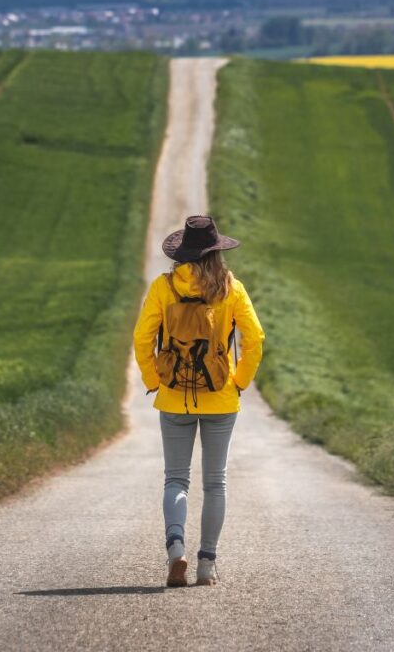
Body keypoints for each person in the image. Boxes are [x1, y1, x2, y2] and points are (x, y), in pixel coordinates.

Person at [133, 215, 265, 588]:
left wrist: (153, 380)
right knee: (215, 482)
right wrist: (239, 381)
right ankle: (207, 563)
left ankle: (176, 549)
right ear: (216, 252)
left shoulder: (164, 287)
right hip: (220, 397)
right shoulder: (230, 287)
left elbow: (143, 339)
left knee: (176, 478)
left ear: (182, 254)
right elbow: (255, 338)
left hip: (174, 396)